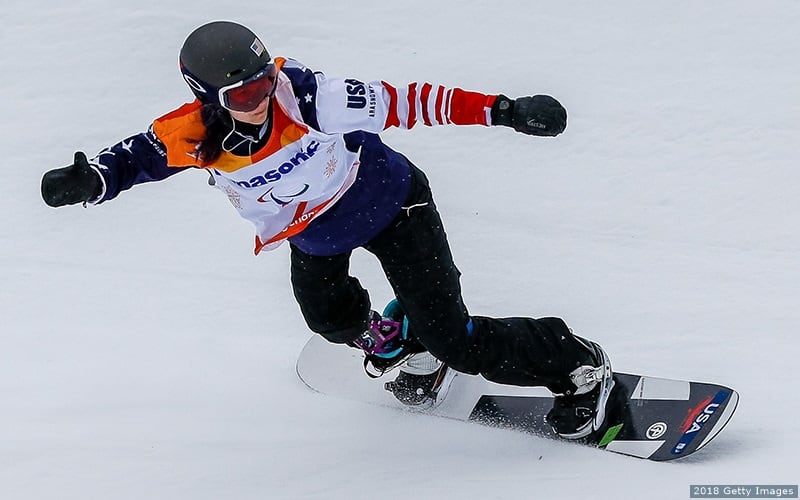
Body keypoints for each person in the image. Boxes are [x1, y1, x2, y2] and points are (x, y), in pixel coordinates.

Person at [41, 21, 614, 439]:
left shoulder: (312, 97)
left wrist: (504, 110)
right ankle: (401, 340)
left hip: (395, 209)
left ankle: (575, 365)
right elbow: (133, 159)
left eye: (265, 81)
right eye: (243, 95)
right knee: (328, 316)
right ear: (208, 97)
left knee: (457, 342)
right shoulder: (190, 134)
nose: (262, 98)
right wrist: (92, 180)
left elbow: (411, 102)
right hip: (315, 234)